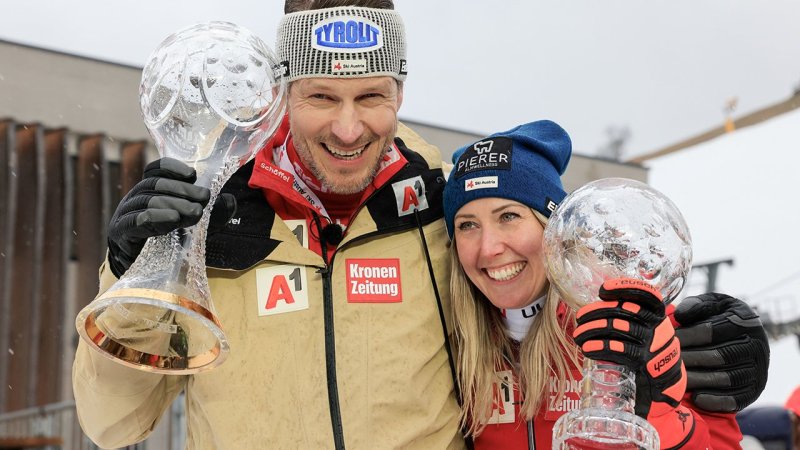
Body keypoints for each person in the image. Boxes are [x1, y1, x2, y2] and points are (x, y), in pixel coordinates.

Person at [72, 1, 769, 449]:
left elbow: (557, 286)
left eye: (372, 95)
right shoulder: (215, 219)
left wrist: (708, 344)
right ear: (285, 94)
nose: (349, 127)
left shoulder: (443, 209)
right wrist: (133, 272)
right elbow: (111, 424)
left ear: (400, 92)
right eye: (321, 96)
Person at [441, 120, 759, 449]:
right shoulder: (451, 345)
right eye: (467, 225)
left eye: (508, 216)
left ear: (553, 229)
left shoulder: (640, 329)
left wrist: (661, 423)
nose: (488, 247)